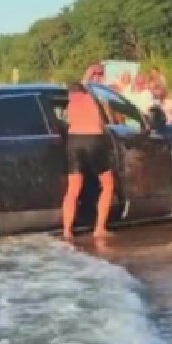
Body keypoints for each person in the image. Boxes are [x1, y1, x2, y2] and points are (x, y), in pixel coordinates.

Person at [60, 82, 115, 240]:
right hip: (93, 139)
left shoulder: (70, 104)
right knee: (108, 185)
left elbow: (65, 123)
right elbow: (105, 123)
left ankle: (67, 231)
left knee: (73, 189)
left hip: (74, 140)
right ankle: (99, 229)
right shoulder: (90, 97)